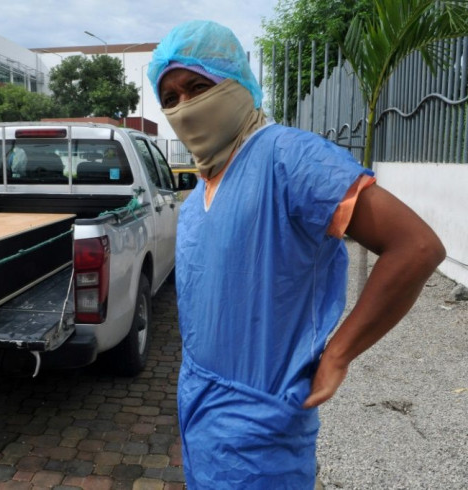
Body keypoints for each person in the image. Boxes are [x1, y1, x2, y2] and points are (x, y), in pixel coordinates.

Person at [148, 21, 446, 488]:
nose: (184, 107)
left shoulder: (289, 157)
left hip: (263, 434)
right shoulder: (199, 196)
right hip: (200, 419)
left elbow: (417, 247)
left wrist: (338, 355)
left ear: (236, 83)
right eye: (170, 98)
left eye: (198, 87)